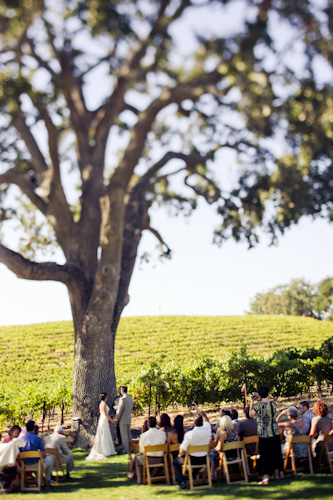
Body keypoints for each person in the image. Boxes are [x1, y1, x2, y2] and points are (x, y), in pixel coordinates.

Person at [249, 385, 283, 485]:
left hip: (263, 433)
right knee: (275, 453)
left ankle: (266, 476)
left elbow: (251, 414)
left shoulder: (258, 405)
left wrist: (252, 401)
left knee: (265, 455)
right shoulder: (273, 403)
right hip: (274, 431)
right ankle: (277, 474)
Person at [173, 404, 212, 490]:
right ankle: (192, 478)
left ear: (194, 423)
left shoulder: (189, 434)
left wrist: (180, 455)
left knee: (175, 462)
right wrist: (198, 410)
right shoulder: (207, 430)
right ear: (202, 422)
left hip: (192, 459)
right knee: (192, 462)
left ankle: (182, 482)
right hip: (204, 458)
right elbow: (206, 420)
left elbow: (182, 450)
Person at [135, 416, 166, 485]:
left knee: (137, 459)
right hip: (161, 458)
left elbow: (141, 450)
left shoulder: (143, 435)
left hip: (148, 459)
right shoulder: (162, 433)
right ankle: (153, 475)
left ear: (147, 425)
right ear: (156, 424)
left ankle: (140, 480)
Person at [86, 392, 117, 461]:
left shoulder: (102, 404)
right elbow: (105, 414)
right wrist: (112, 421)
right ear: (105, 397)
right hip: (103, 419)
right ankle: (105, 450)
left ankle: (107, 449)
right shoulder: (103, 404)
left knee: (105, 434)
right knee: (104, 434)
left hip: (104, 419)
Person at [211, 415, 238, 480]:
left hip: (226, 456)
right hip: (235, 455)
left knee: (212, 454)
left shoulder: (223, 434)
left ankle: (211, 475)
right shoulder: (235, 432)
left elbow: (219, 448)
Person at [0, 425, 22, 491]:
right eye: (16, 433)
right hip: (7, 462)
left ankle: (10, 485)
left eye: (18, 434)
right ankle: (10, 485)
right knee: (13, 469)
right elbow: (11, 456)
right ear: (11, 432)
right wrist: (18, 466)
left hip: (7, 461)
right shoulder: (10, 442)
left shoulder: (11, 441)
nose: (17, 435)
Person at [114, 386, 134, 454]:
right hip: (128, 418)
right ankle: (131, 447)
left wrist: (116, 418)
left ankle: (125, 449)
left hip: (123, 419)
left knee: (124, 435)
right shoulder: (130, 398)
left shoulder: (122, 399)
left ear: (122, 391)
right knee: (129, 434)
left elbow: (119, 410)